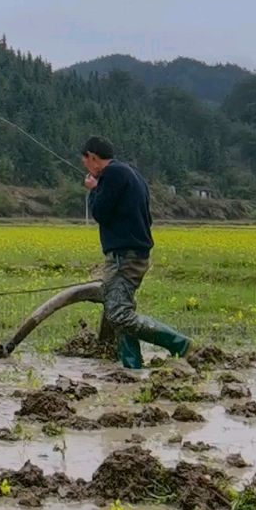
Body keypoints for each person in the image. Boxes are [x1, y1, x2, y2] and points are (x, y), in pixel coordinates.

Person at [82, 135, 189, 370]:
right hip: (133, 253)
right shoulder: (131, 173)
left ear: (92, 157)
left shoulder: (111, 175)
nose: (86, 167)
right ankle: (131, 365)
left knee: (118, 313)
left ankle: (179, 343)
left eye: (86, 161)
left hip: (124, 256)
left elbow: (100, 212)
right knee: (120, 307)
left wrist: (93, 189)